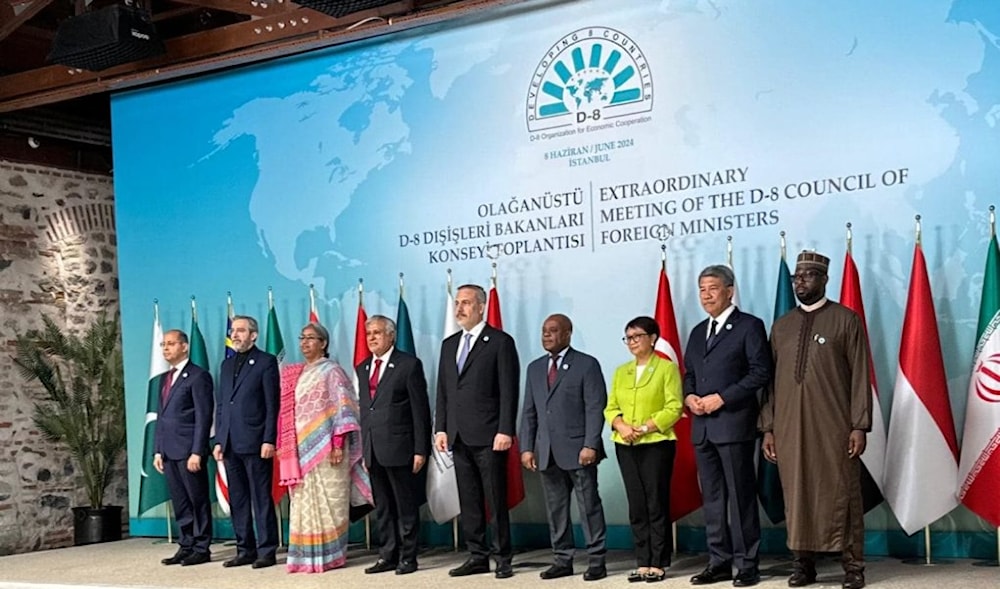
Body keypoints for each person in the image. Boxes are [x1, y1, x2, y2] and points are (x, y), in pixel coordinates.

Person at [760, 251, 871, 589]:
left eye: (808, 275)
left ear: (824, 279)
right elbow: (771, 383)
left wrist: (858, 425)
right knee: (797, 495)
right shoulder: (782, 327)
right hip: (789, 428)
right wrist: (768, 428)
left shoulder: (845, 320)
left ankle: (853, 568)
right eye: (797, 276)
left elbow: (859, 376)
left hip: (834, 427)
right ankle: (803, 566)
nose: (800, 281)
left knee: (842, 494)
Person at [683, 266, 772, 587]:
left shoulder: (749, 326)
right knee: (713, 499)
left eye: (712, 288)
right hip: (703, 428)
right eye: (701, 289)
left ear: (730, 291)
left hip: (734, 425)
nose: (706, 295)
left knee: (740, 496)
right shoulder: (696, 332)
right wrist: (690, 395)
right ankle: (718, 561)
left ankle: (747, 562)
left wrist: (722, 398)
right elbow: (689, 373)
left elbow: (760, 372)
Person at [434, 283, 520, 579]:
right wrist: (441, 428)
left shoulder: (499, 342)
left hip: (489, 435)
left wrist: (505, 429)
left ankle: (503, 556)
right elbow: (443, 391)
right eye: (457, 303)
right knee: (469, 500)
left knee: (495, 500)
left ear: (481, 306)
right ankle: (477, 556)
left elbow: (509, 390)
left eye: (466, 303)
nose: (460, 308)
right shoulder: (449, 344)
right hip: (457, 435)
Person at [276, 322, 372, 573]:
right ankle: (304, 558)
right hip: (300, 453)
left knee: (331, 504)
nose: (305, 342)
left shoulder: (333, 372)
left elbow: (344, 409)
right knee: (302, 505)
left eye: (311, 338)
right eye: (302, 337)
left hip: (329, 451)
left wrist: (338, 443)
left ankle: (331, 556)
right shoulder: (294, 374)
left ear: (323, 343)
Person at [520, 314, 609, 582]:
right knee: (556, 510)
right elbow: (529, 412)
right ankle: (562, 559)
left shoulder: (586, 364)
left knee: (589, 506)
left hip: (580, 451)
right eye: (544, 331)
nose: (547, 335)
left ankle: (597, 560)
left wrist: (590, 444)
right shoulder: (535, 368)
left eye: (553, 330)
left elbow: (595, 407)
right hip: (546, 452)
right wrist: (526, 448)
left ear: (568, 333)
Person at [604, 316, 683, 583]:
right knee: (636, 504)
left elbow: (674, 407)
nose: (632, 342)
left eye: (637, 336)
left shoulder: (666, 368)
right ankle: (642, 561)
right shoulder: (621, 371)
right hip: (626, 444)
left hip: (656, 444)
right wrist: (620, 425)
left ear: (653, 338)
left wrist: (647, 427)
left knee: (655, 501)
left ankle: (659, 562)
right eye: (628, 337)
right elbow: (611, 406)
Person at [355, 315, 431, 576]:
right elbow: (367, 411)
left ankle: (408, 558)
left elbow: (420, 411)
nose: (372, 338)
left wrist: (421, 449)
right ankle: (387, 555)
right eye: (369, 334)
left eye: (377, 332)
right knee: (384, 507)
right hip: (374, 449)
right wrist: (365, 448)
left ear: (391, 336)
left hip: (402, 449)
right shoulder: (363, 368)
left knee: (405, 507)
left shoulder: (408, 365)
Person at [212, 315, 280, 568]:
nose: (236, 334)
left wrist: (268, 439)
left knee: (261, 498)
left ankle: (267, 550)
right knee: (238, 499)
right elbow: (222, 406)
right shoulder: (226, 365)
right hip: (230, 443)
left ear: (254, 335)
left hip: (256, 441)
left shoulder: (266, 362)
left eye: (241, 330)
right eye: (233, 330)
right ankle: (245, 549)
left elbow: (272, 405)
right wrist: (219, 440)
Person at [154, 329, 214, 566]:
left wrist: (197, 451)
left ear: (185, 346)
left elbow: (203, 416)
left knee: (197, 500)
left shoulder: (199, 376)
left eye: (171, 344)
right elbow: (162, 416)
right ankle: (186, 544)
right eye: (163, 344)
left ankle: (201, 547)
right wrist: (158, 449)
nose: (166, 348)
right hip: (169, 451)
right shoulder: (165, 378)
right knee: (180, 501)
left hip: (189, 451)